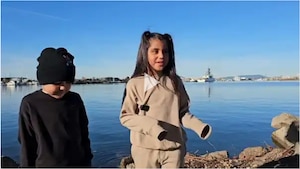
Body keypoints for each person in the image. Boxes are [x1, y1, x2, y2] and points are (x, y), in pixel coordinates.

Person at [120, 31, 212, 168]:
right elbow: (126, 117)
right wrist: (152, 126)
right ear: (145, 53)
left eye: (165, 51)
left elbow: (182, 112)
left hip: (173, 149)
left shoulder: (175, 82)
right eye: (155, 51)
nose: (161, 56)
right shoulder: (135, 83)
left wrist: (198, 126)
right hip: (144, 150)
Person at [18, 47, 93, 167]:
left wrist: (88, 160)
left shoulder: (75, 99)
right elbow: (27, 143)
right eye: (57, 83)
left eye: (68, 82)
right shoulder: (30, 104)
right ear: (44, 80)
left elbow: (84, 133)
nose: (63, 87)